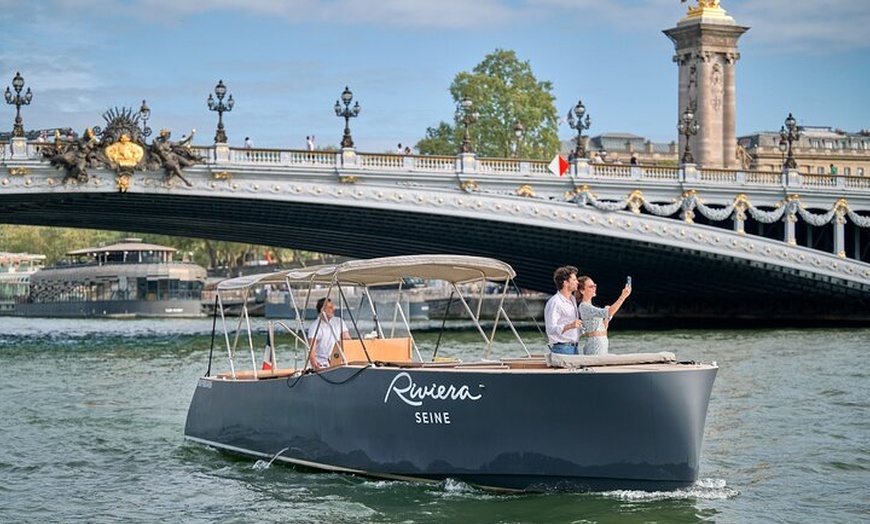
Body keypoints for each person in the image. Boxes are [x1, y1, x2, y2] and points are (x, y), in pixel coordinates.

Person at [576, 276, 631, 355]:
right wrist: (623, 296)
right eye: (591, 287)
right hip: (595, 344)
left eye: (595, 286)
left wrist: (606, 318)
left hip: (602, 342)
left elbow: (604, 326)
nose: (594, 288)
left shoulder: (591, 307)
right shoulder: (584, 306)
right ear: (582, 290)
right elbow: (609, 312)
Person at [544, 265, 582, 354]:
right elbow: (550, 329)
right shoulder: (555, 302)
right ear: (566, 283)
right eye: (574, 280)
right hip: (562, 348)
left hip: (574, 347)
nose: (577, 282)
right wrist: (570, 325)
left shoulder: (573, 300)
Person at [307, 297, 350, 370]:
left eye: (333, 307)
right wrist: (315, 365)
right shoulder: (315, 327)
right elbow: (311, 351)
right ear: (322, 310)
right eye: (330, 308)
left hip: (339, 362)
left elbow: (348, 340)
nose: (333, 309)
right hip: (323, 365)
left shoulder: (339, 322)